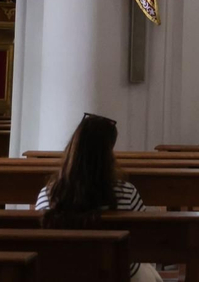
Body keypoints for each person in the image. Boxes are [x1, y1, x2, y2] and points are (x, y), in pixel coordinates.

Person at [35, 113, 158, 281]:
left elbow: (42, 243)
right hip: (116, 272)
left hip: (62, 273)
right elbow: (144, 239)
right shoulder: (126, 192)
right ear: (108, 154)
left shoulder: (48, 194)